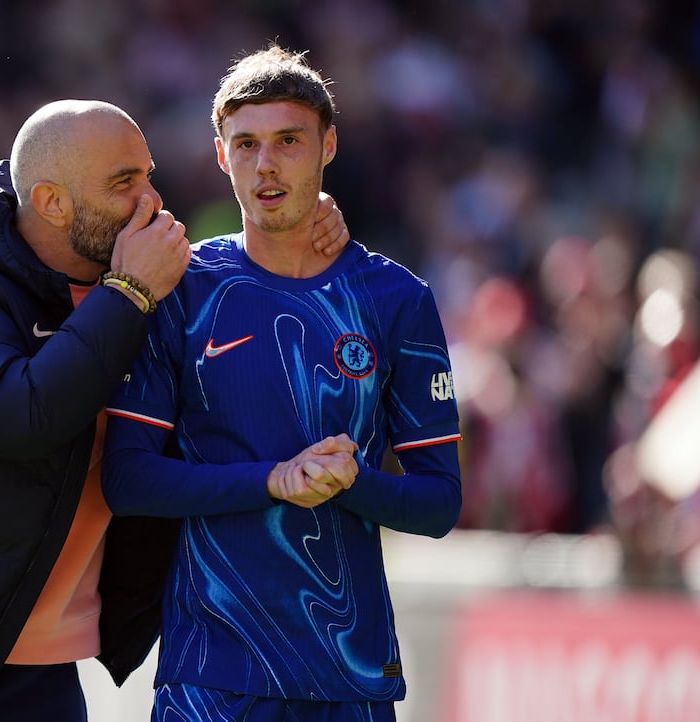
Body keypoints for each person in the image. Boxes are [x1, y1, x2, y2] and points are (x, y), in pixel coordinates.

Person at [0, 98, 352, 722]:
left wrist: (300, 223)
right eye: (123, 184)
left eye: (147, 174)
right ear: (53, 202)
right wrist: (130, 292)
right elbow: (22, 417)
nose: (151, 202)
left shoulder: (147, 285)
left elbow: (250, 324)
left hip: (39, 674)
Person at [102, 46, 463, 722]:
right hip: (210, 672)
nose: (265, 165)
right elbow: (127, 478)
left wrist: (354, 484)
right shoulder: (182, 288)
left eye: (288, 142)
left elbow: (441, 503)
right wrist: (272, 479)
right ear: (220, 156)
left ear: (328, 145)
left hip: (351, 677)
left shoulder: (396, 299)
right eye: (246, 144)